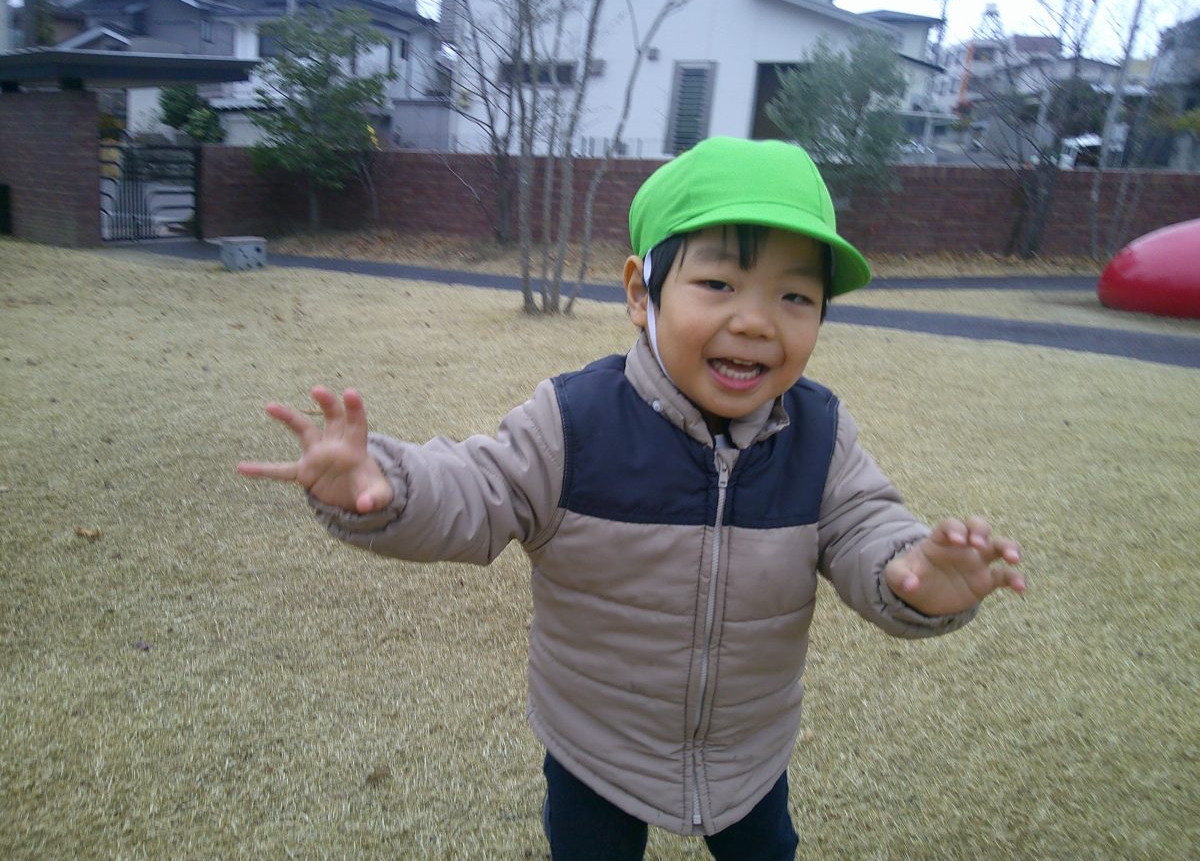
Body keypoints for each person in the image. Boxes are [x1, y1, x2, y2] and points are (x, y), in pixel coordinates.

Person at [237, 136, 1025, 860]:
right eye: (717, 284)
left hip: (747, 750)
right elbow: (480, 487)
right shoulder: (576, 420)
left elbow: (865, 526)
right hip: (596, 745)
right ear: (642, 293)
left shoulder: (818, 433)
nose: (756, 321)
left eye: (795, 297)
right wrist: (386, 487)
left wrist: (909, 576)